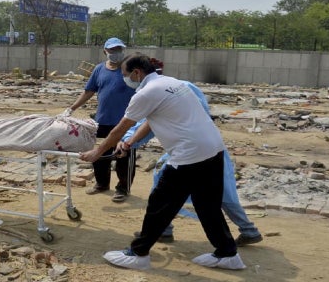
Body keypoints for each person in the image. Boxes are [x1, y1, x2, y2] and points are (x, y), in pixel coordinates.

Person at [79, 53, 246, 271]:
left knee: (159, 203)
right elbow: (151, 119)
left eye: (125, 75)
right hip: (213, 149)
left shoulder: (146, 93)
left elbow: (118, 128)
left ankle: (139, 253)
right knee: (208, 206)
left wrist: (97, 152)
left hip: (189, 155)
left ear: (137, 73)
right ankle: (227, 253)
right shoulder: (171, 83)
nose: (124, 79)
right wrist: (130, 142)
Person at [119, 78, 263, 247]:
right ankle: (165, 229)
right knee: (213, 193)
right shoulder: (179, 89)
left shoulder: (164, 93)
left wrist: (128, 141)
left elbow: (149, 124)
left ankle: (243, 233)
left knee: (173, 192)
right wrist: (129, 141)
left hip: (193, 152)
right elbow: (152, 122)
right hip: (201, 148)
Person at [61, 37, 137, 203]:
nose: (116, 53)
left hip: (125, 122)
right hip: (102, 120)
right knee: (100, 154)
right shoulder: (99, 70)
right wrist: (72, 108)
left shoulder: (131, 70)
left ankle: (123, 188)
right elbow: (89, 91)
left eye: (119, 50)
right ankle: (102, 184)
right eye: (112, 50)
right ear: (105, 51)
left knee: (123, 155)